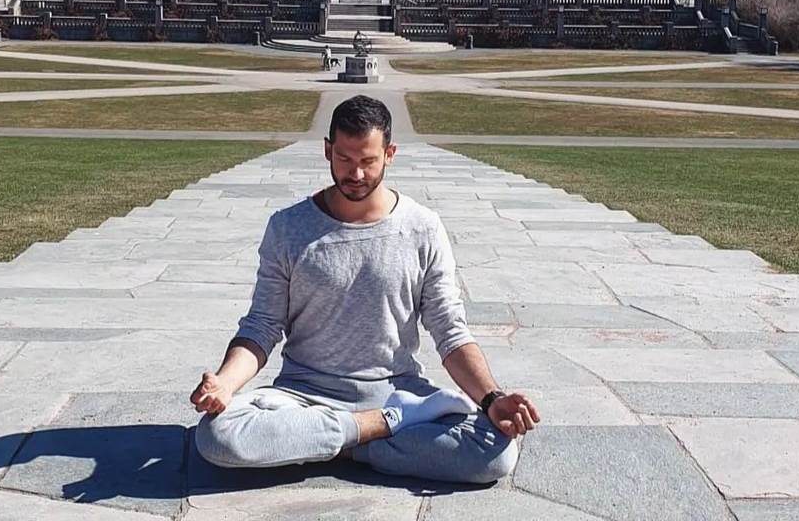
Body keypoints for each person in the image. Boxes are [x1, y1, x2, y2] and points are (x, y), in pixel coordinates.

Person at [190, 95, 540, 484]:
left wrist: (491, 399)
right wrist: (225, 383)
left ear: (390, 154)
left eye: (368, 161)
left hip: (396, 392)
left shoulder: (422, 228)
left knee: (494, 453)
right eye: (344, 159)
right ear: (327, 150)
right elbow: (261, 325)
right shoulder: (288, 227)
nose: (355, 174)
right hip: (303, 396)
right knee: (217, 436)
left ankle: (320, 443)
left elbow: (450, 330)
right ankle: (375, 431)